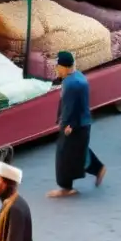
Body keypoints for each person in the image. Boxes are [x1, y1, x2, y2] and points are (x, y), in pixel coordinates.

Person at [48, 52, 106, 198]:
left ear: (66, 67)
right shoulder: (74, 77)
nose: (56, 69)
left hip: (75, 125)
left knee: (64, 154)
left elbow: (73, 107)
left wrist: (69, 125)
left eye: (58, 66)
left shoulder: (73, 84)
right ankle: (99, 169)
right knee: (79, 151)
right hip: (81, 124)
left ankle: (66, 187)